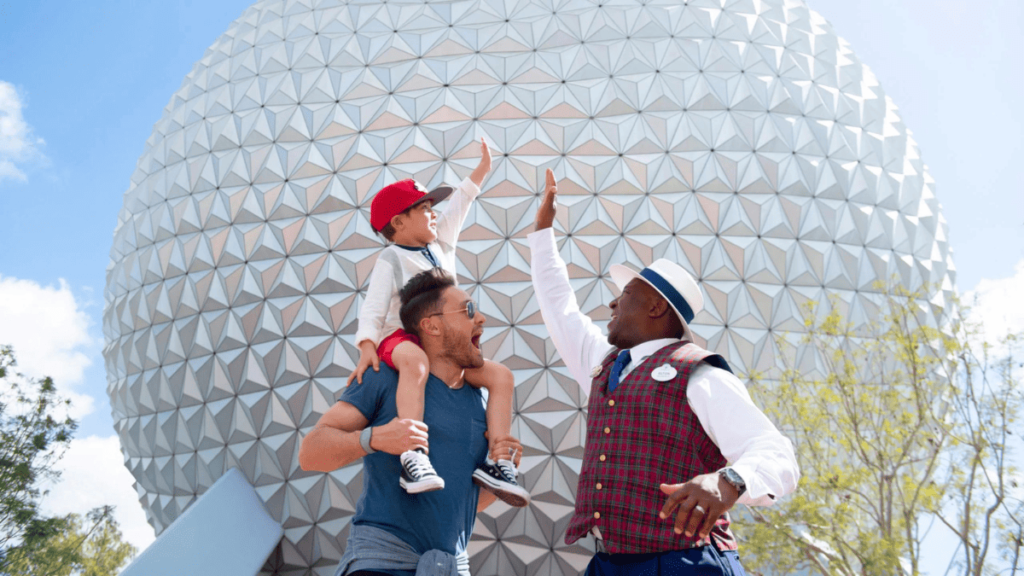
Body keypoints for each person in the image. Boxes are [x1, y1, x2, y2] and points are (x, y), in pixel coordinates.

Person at [527, 169, 799, 575]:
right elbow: (558, 304)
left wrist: (727, 482)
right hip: (610, 563)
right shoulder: (604, 367)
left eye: (626, 296)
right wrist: (543, 233)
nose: (612, 306)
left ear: (656, 308)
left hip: (685, 563)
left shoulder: (700, 376)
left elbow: (777, 455)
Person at [299, 269, 525, 576]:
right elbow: (309, 454)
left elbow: (459, 503)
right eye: (469, 310)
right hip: (380, 564)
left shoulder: (483, 401)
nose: (481, 319)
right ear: (431, 325)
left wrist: (497, 481)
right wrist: (374, 438)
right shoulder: (384, 379)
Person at [348, 140, 528, 506]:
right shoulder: (391, 257)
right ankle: (413, 455)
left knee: (500, 376)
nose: (434, 213)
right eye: (424, 208)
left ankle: (497, 460)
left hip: (443, 340)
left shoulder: (442, 246)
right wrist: (367, 345)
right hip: (402, 338)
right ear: (398, 222)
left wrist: (482, 170)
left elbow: (461, 204)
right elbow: (374, 308)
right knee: (415, 362)